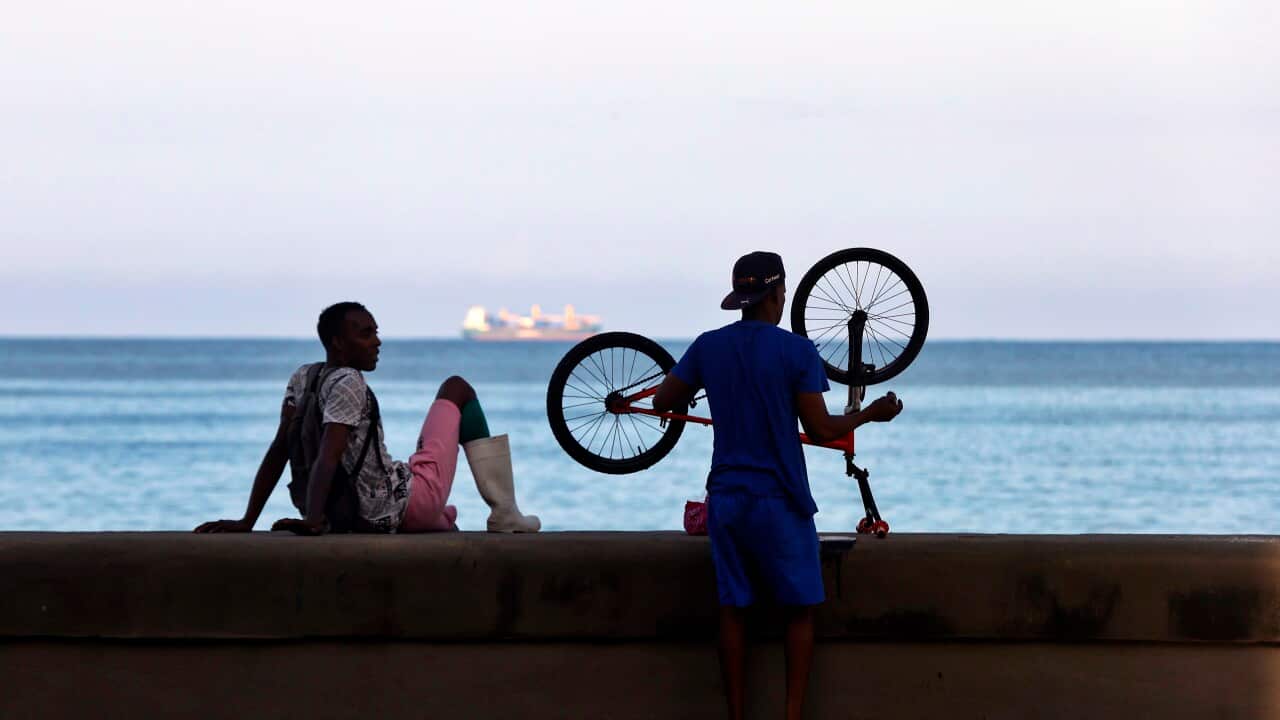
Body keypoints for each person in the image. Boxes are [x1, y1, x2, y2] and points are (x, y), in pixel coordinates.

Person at [653, 252, 902, 720]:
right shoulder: (797, 351)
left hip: (726, 499)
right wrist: (872, 414)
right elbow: (822, 428)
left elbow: (665, 400)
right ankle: (790, 715)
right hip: (780, 501)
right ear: (777, 294)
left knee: (733, 610)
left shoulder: (708, 346)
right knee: (799, 610)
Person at [194, 301, 540, 536]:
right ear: (338, 343)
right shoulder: (349, 382)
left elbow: (279, 450)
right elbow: (328, 455)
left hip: (351, 513)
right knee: (456, 387)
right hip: (395, 507)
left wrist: (248, 520)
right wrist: (312, 521)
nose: (377, 342)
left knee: (416, 481)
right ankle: (505, 512)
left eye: (376, 332)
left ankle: (441, 519)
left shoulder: (303, 378)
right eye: (365, 334)